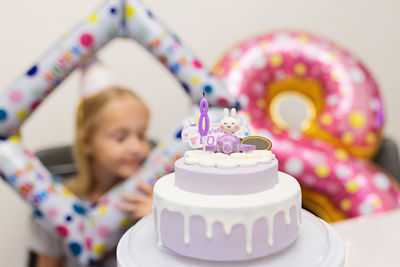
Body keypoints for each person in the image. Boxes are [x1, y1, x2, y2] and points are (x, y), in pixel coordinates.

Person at [28, 59, 154, 267]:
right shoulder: (59, 203)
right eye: (121, 137)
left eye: (141, 135)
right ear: (87, 142)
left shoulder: (149, 199)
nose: (137, 147)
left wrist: (157, 221)